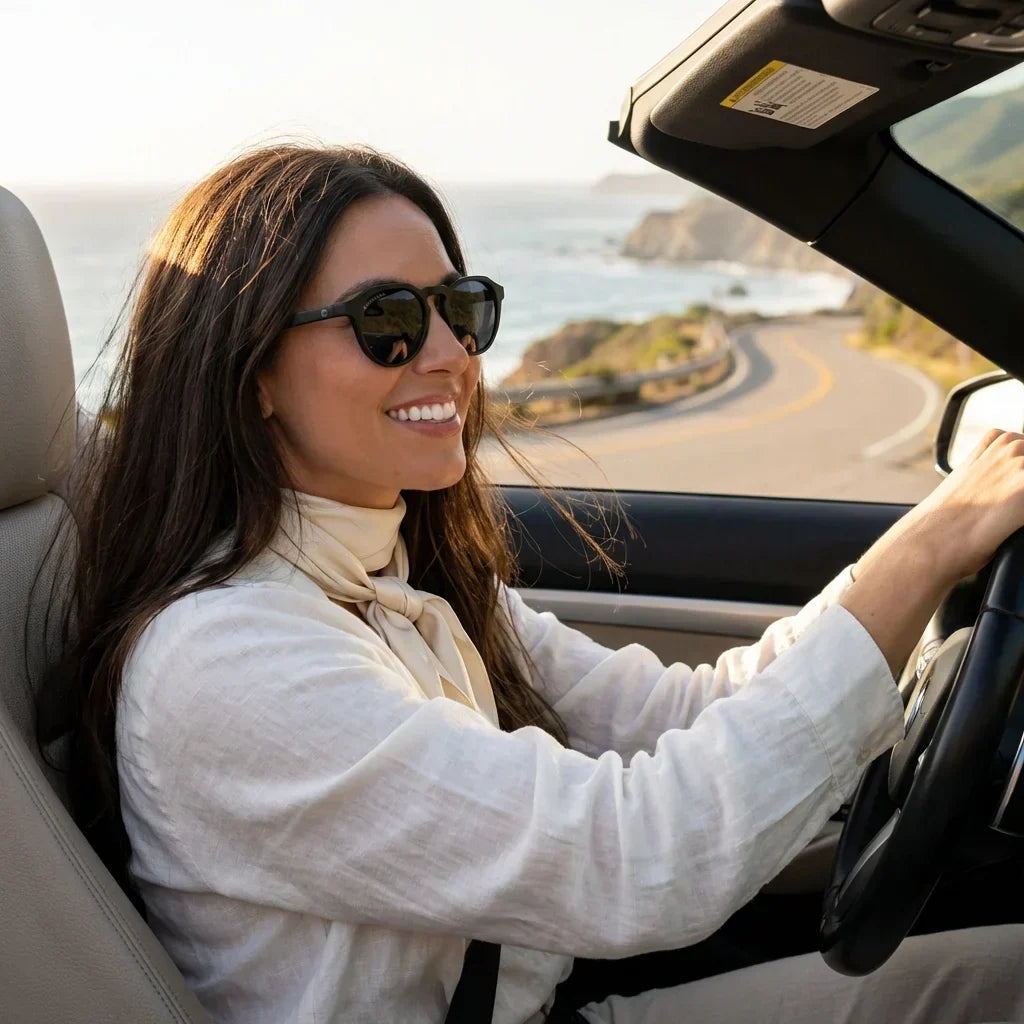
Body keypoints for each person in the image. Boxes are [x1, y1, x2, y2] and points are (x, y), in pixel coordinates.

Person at [49, 143, 1024, 1024]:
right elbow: (635, 859)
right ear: (251, 370)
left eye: (461, 308)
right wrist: (932, 544)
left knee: (1000, 973)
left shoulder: (400, 579)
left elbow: (693, 711)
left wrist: (930, 555)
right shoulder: (226, 663)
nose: (450, 353)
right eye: (385, 321)